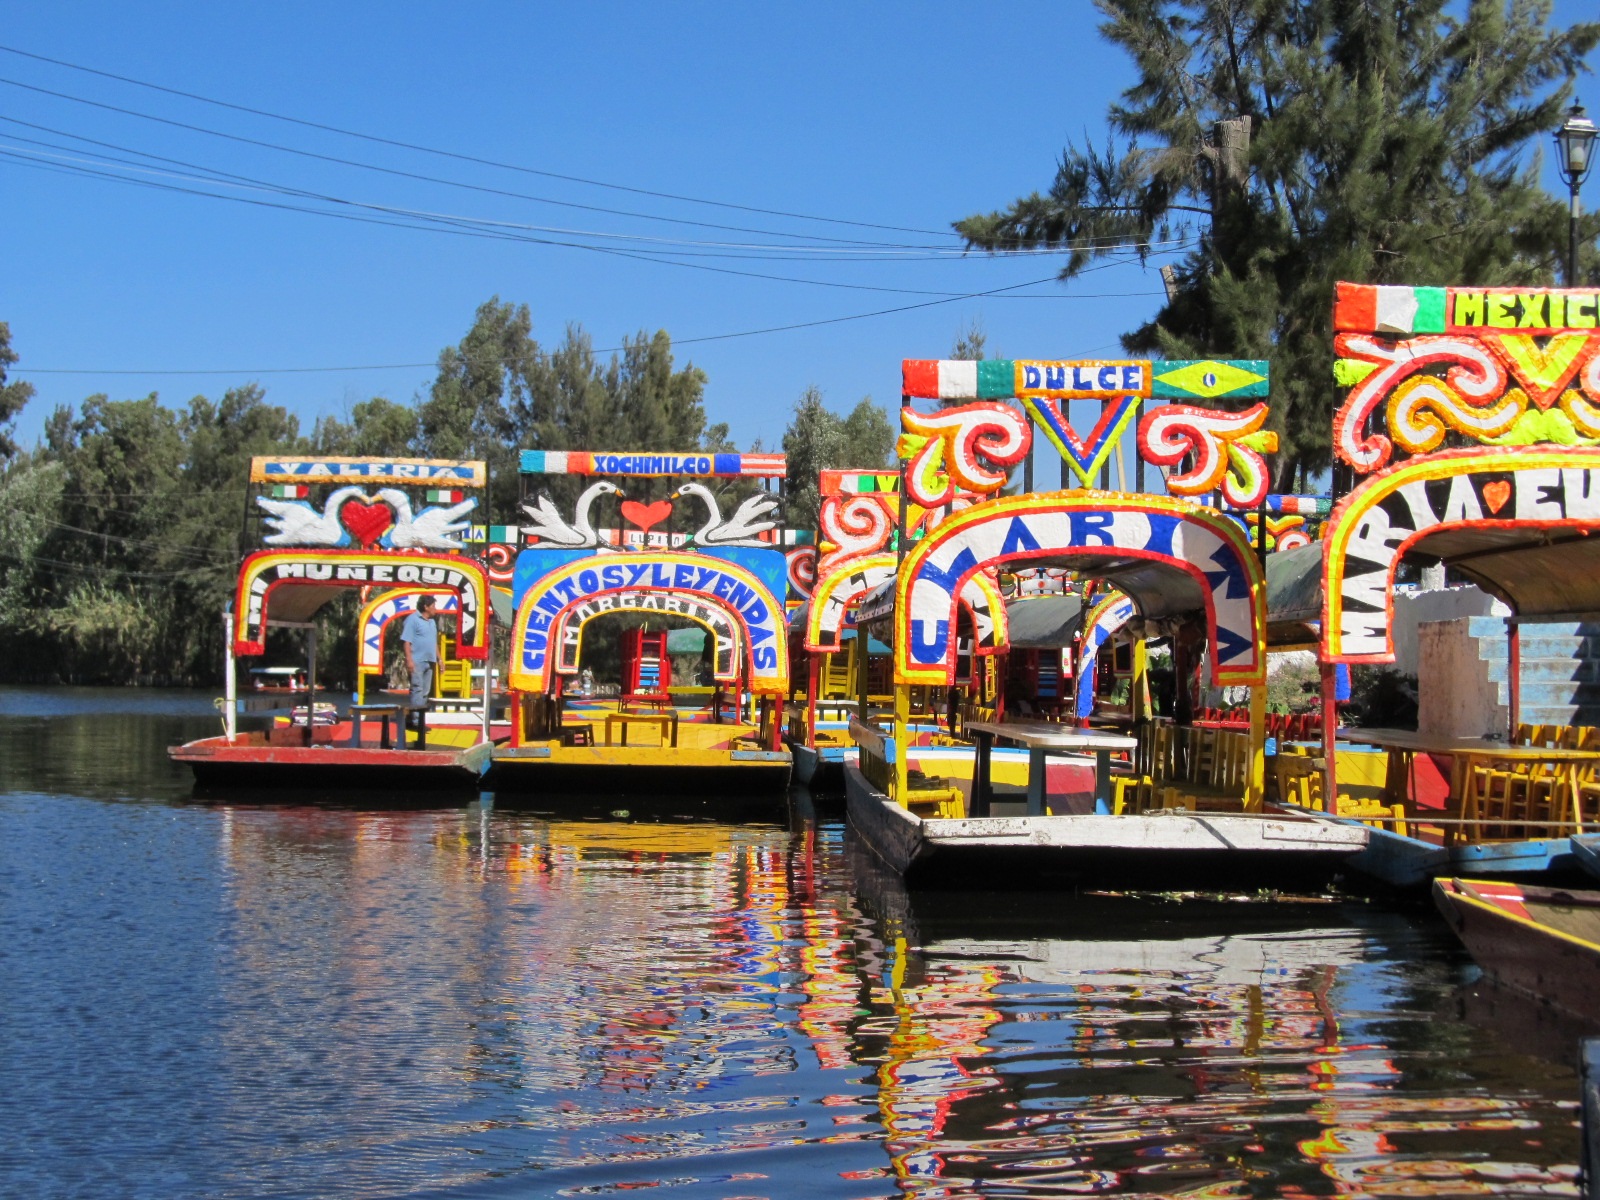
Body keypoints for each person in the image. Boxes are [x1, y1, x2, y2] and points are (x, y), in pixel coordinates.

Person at [400, 596, 440, 727]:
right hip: (417, 660)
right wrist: (409, 660)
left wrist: (440, 659)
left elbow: (434, 642)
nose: (435, 609)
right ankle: (416, 722)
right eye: (433, 606)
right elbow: (406, 641)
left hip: (430, 661)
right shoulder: (412, 620)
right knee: (417, 689)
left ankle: (416, 718)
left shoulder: (432, 622)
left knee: (425, 692)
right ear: (426, 607)